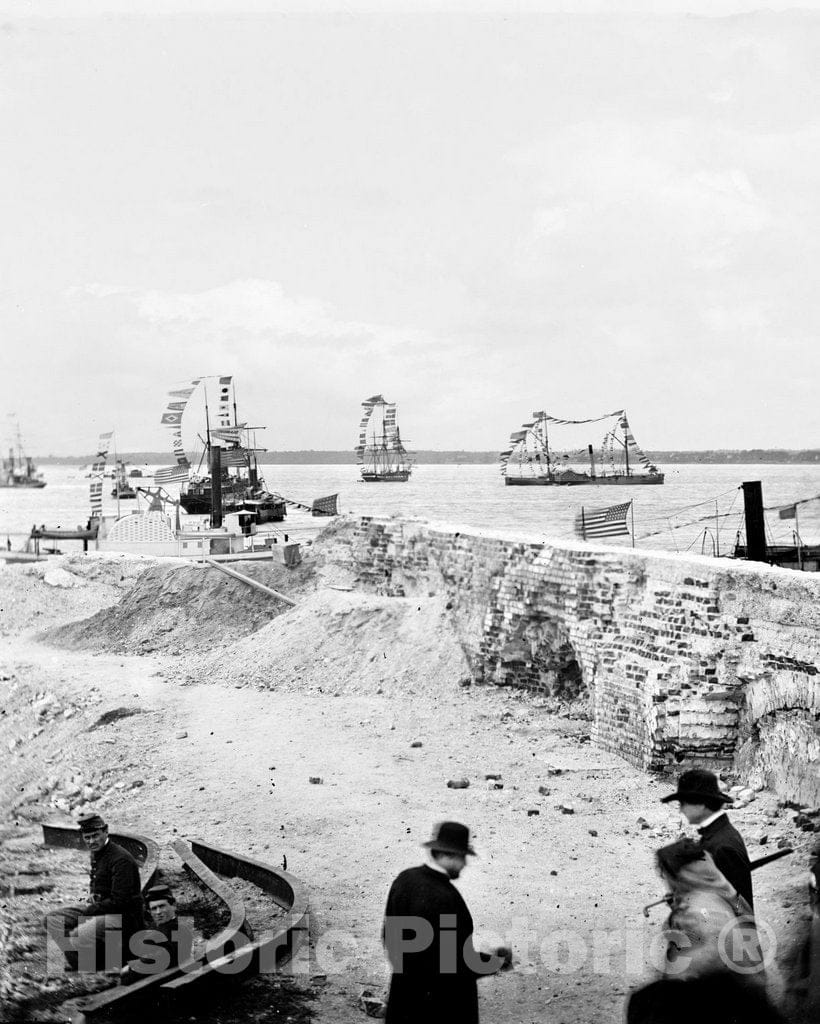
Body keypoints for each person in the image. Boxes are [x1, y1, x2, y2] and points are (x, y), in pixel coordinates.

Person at [382, 820, 512, 1024]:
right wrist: (495, 962)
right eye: (462, 858)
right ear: (449, 855)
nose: (464, 864)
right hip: (440, 1009)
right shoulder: (446, 898)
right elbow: (453, 966)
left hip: (404, 1000)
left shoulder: (404, 880)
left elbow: (389, 939)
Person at [45, 814, 144, 973]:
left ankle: (96, 964)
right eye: (87, 837)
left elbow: (121, 902)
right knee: (53, 920)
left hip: (125, 917)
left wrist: (90, 910)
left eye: (95, 836)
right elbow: (98, 883)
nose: (91, 841)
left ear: (106, 832)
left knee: (80, 933)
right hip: (103, 910)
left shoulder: (121, 859)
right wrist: (94, 896)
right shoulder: (98, 853)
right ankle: (82, 962)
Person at [653, 838, 762, 980]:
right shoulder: (725, 892)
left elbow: (695, 969)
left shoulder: (694, 915)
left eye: (664, 873)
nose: (663, 878)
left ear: (681, 876)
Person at [660, 768, 753, 909]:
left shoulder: (722, 846)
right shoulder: (717, 834)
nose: (680, 810)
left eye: (683, 803)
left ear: (701, 804)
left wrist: (685, 902)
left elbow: (738, 906)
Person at [121, 884, 193, 982]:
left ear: (173, 906)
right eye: (154, 908)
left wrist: (131, 967)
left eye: (162, 906)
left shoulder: (179, 928)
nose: (158, 912)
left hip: (163, 979)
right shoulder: (155, 927)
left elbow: (165, 955)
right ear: (149, 911)